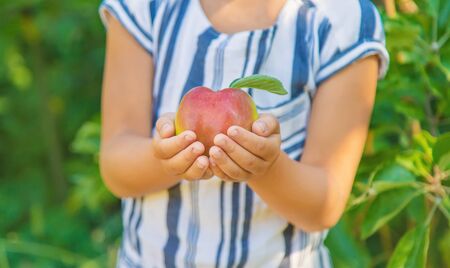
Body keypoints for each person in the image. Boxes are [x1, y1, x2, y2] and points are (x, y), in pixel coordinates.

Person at [98, 0, 389, 266]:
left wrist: (265, 168)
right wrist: (164, 158)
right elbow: (115, 165)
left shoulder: (340, 21)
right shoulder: (146, 7)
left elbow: (324, 206)